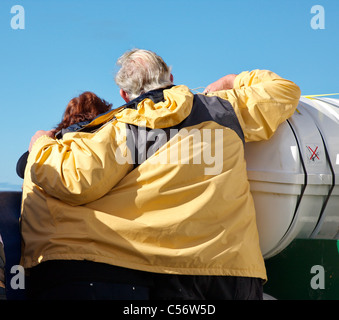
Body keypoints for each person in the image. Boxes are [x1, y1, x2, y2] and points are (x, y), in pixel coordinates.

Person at [21, 49, 301, 300]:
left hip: (163, 271)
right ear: (170, 76)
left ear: (123, 94)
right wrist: (231, 81)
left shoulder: (123, 127)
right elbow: (283, 90)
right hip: (235, 271)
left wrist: (41, 144)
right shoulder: (226, 108)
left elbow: (74, 181)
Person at [16, 91, 112, 179]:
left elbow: (21, 169)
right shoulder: (110, 138)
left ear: (68, 116)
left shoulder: (56, 139)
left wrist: (42, 141)